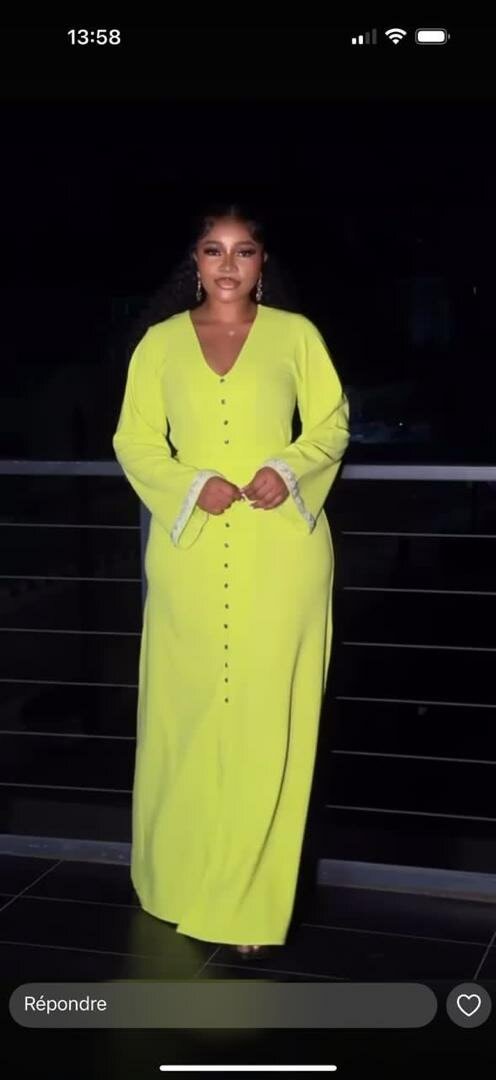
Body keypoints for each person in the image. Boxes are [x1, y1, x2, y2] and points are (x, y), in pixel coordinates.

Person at [112, 201, 350, 959]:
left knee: (266, 726)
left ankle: (247, 901)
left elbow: (332, 424)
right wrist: (191, 485)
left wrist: (288, 468)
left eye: (243, 251)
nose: (227, 265)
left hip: (282, 555)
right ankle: (176, 883)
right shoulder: (158, 345)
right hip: (188, 552)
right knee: (184, 722)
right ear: (194, 260)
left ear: (262, 263)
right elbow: (134, 440)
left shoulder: (296, 336)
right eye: (213, 250)